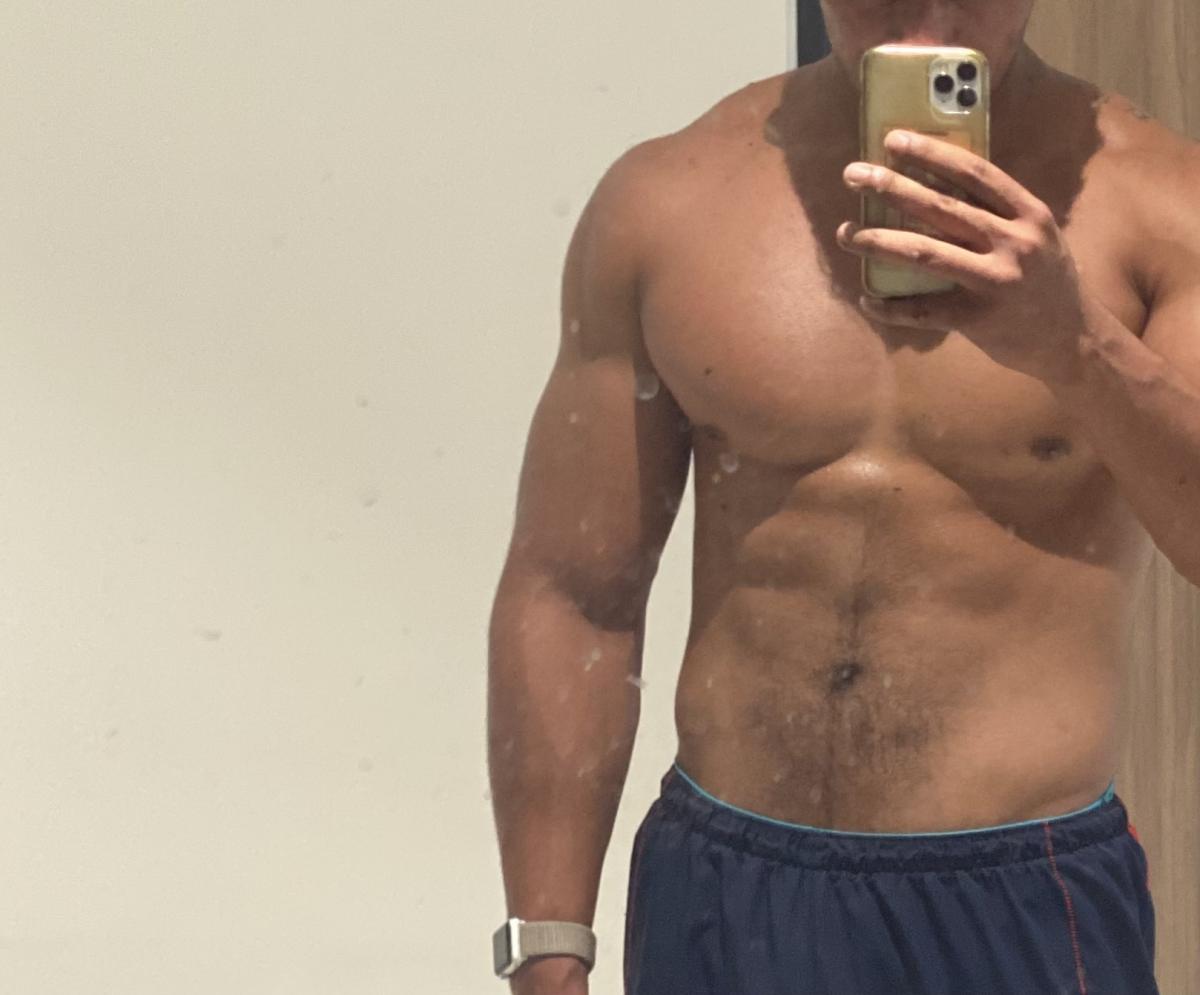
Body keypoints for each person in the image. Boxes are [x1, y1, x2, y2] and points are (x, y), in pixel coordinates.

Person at [487, 1, 1200, 991]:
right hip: (725, 885)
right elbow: (575, 590)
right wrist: (546, 943)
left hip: (1019, 894)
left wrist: (1078, 348)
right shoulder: (668, 200)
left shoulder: (1167, 208)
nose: (929, 21)